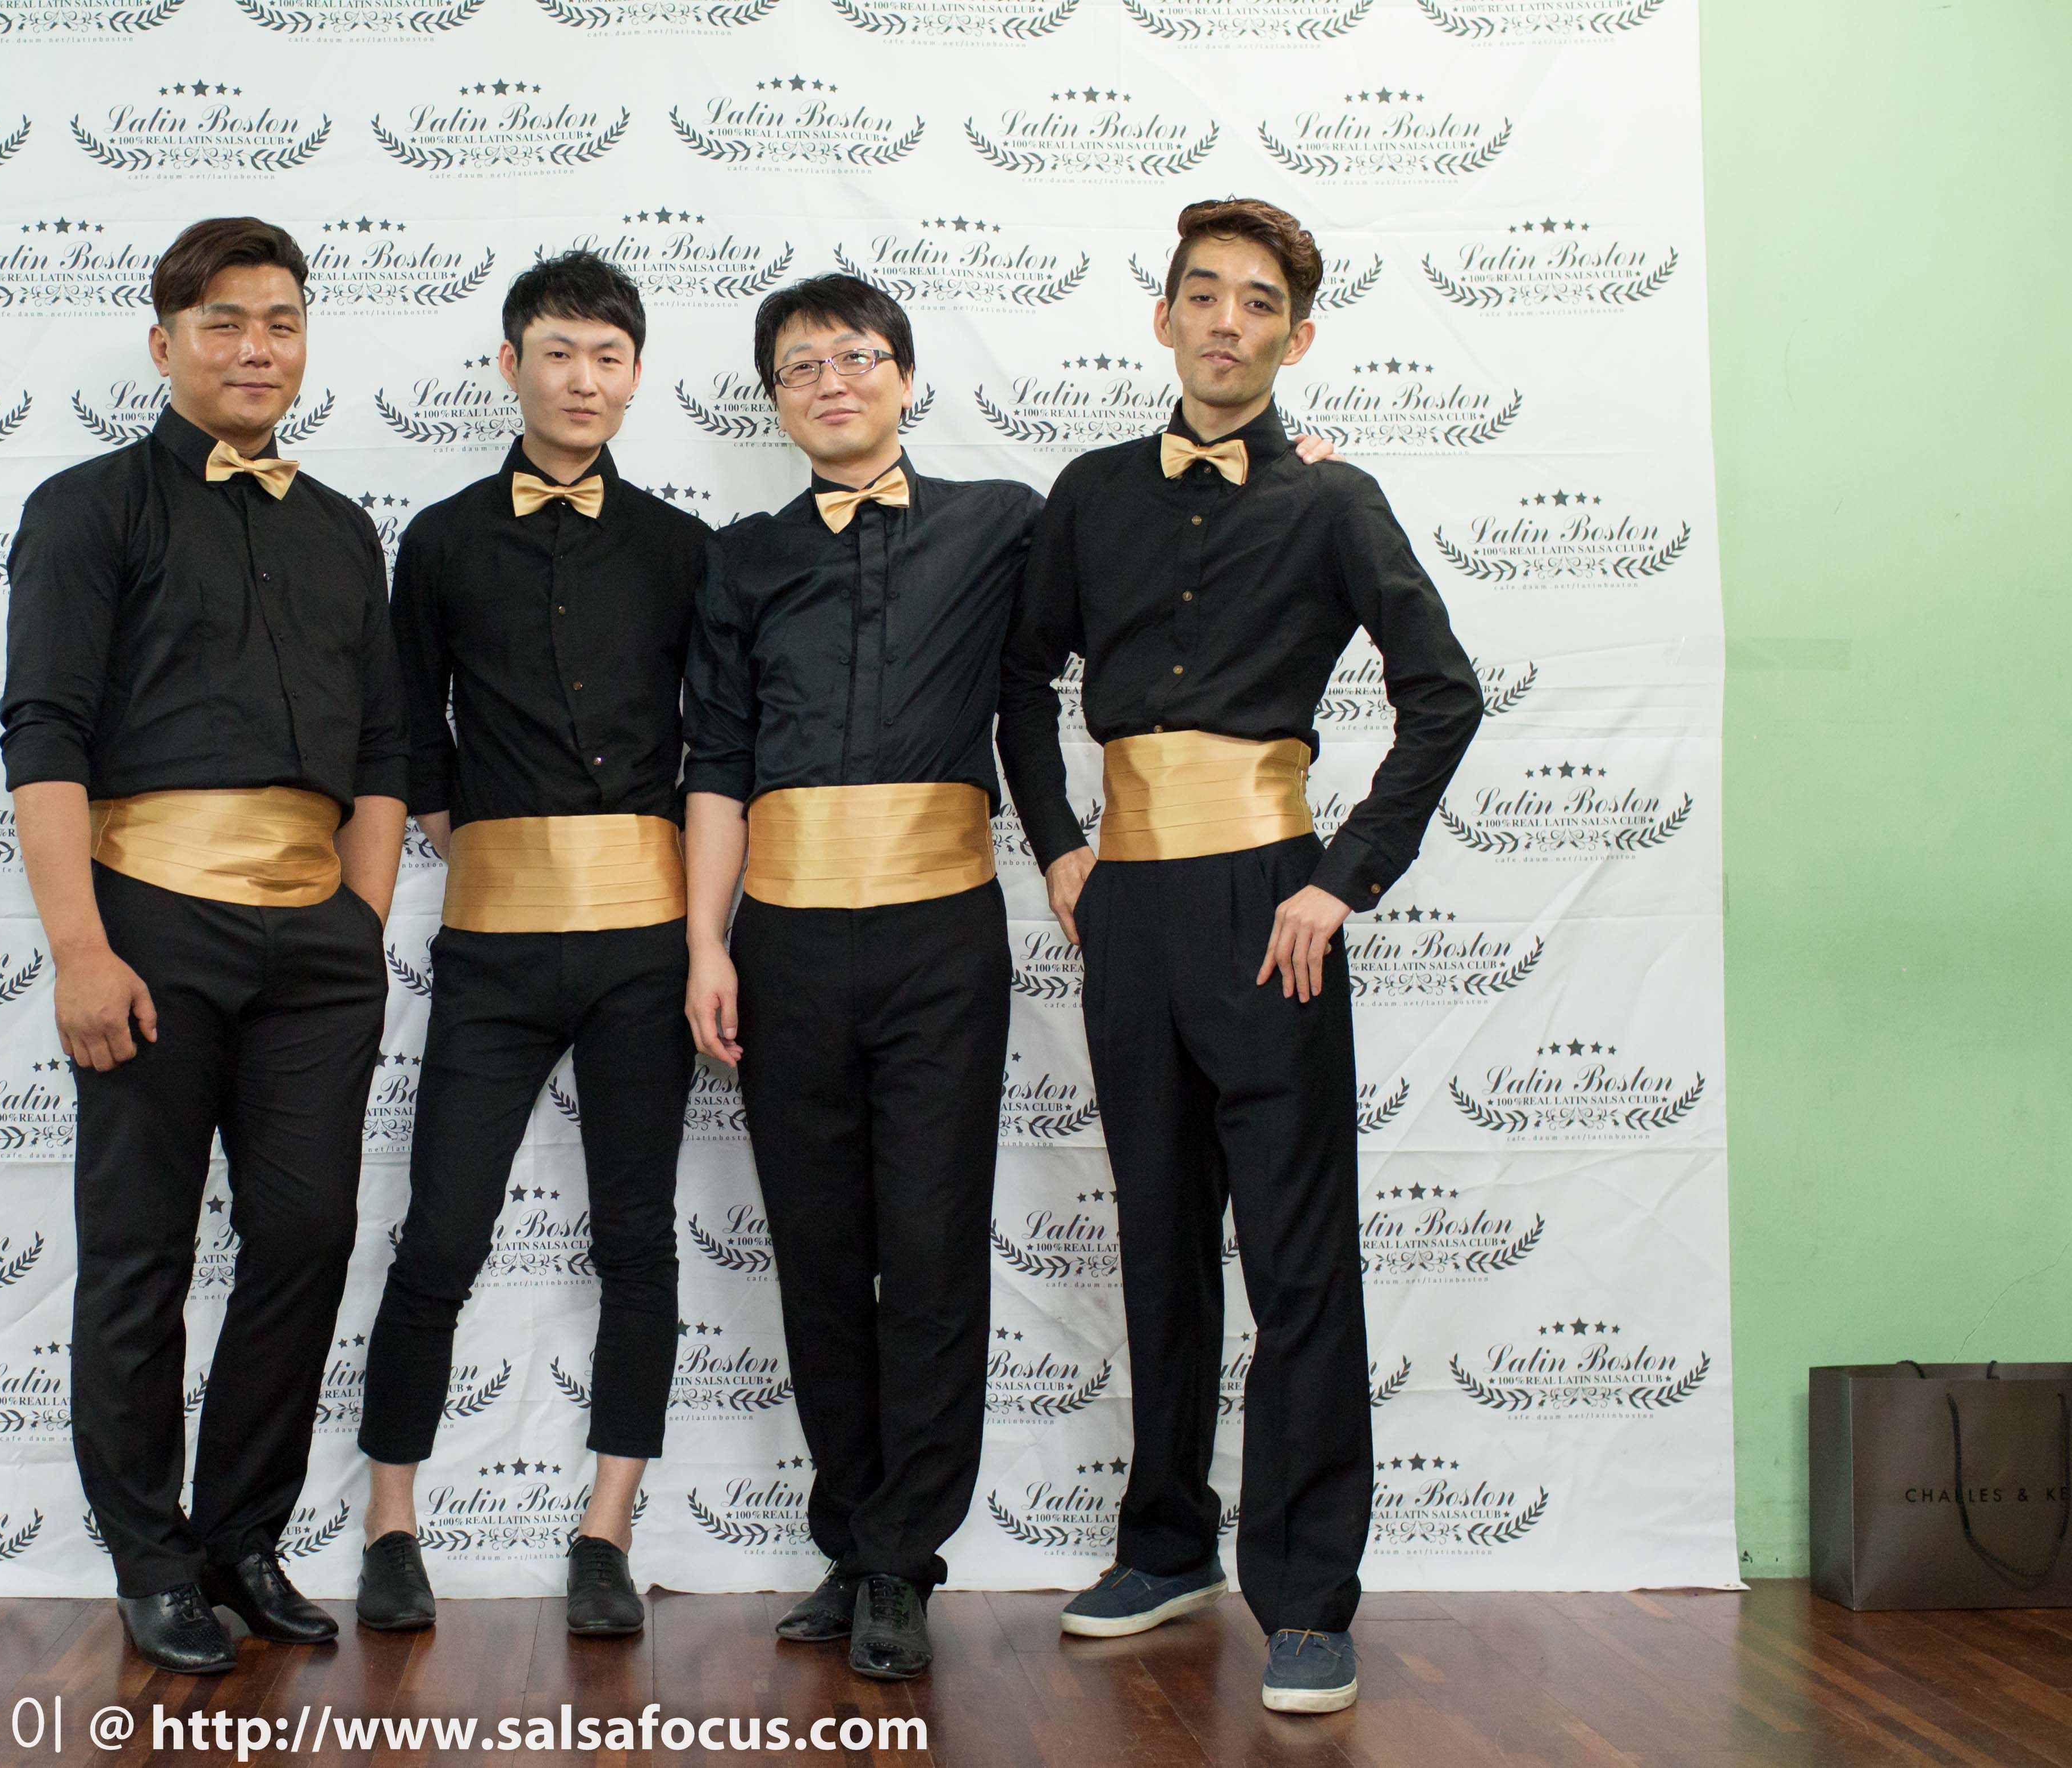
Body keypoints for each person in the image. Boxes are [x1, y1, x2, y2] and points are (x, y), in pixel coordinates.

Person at [998, 198, 1484, 1715]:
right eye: (1202, 294)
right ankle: (1164, 1546)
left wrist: (1341, 881)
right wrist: (1061, 848)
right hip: (1128, 907)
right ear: (1163, 318)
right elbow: (1019, 677)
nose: (1226, 320)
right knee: (1158, 1242)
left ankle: (1310, 1597)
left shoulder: (1333, 501)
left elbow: (1443, 692)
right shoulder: (1088, 493)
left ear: (1296, 335)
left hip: (1272, 901)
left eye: (1258, 301)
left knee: (1296, 1258)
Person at [0, 217, 408, 1675]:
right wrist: (78, 947)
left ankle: (241, 1537)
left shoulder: (341, 527)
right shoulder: (88, 508)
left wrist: (358, 926)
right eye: (225, 322)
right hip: (147, 918)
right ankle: (149, 1554)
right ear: (163, 341)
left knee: (304, 1237)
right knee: (141, 1252)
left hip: (316, 943)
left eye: (281, 322)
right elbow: (44, 732)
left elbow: (382, 748)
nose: (256, 348)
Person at [680, 274, 1045, 1682]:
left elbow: (1147, 550)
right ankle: (850, 1538)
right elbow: (718, 761)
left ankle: (902, 1557)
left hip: (939, 937)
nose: (830, 381)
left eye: (854, 356)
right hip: (783, 939)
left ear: (902, 375)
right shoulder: (740, 560)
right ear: (774, 400)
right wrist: (705, 943)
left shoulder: (1000, 522)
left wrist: (1285, 465)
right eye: (799, 367)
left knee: (933, 1247)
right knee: (819, 1251)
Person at [354, 253, 709, 1639]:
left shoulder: (681, 547)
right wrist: (488, 843)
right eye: (557, 352)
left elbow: (714, 740)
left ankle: (606, 1530)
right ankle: (390, 1524)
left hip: (645, 946)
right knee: (440, 1230)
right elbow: (405, 729)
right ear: (510, 366)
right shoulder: (441, 540)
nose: (581, 379)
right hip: (493, 945)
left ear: (635, 373)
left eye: (607, 355)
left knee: (637, 1239)